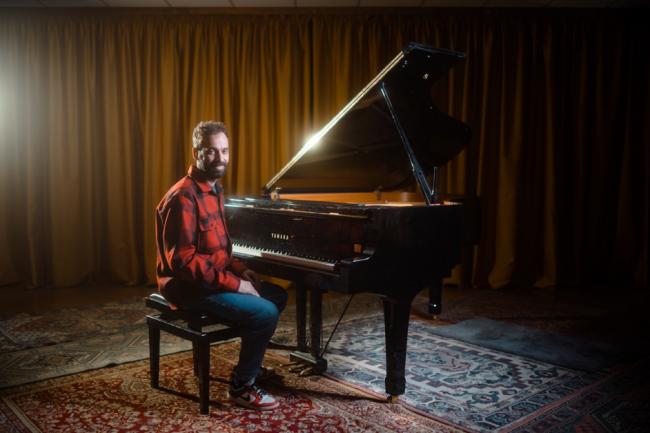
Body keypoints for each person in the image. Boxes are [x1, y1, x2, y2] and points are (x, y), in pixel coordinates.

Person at [155, 120, 287, 411]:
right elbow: (184, 263)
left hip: (210, 279)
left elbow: (219, 249)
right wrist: (236, 285)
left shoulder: (215, 190)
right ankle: (242, 386)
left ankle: (250, 366)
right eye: (212, 151)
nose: (220, 157)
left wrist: (239, 269)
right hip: (187, 287)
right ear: (196, 153)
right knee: (264, 312)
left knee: (276, 295)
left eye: (225, 151)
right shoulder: (183, 196)